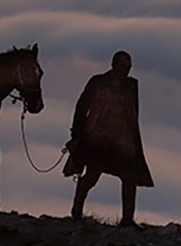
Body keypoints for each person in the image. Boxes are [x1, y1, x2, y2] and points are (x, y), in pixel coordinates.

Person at [65, 50, 154, 227]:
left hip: (122, 141)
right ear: (113, 64)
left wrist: (133, 143)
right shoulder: (97, 83)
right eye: (123, 66)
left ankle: (127, 220)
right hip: (98, 140)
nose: (126, 71)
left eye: (128, 67)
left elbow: (133, 115)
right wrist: (76, 136)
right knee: (91, 176)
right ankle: (76, 210)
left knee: (129, 177)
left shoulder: (131, 86)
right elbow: (82, 108)